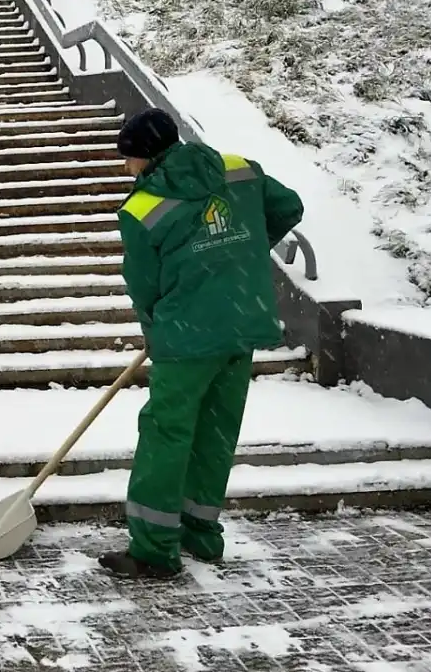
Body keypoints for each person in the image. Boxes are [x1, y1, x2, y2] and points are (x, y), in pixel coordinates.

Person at [100, 107, 304, 580]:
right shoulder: (239, 170)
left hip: (186, 335)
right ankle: (200, 532)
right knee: (215, 431)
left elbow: (144, 287)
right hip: (242, 321)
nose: (127, 168)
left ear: (146, 155)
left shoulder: (141, 208)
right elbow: (289, 207)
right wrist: (239, 252)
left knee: (166, 435)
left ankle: (154, 549)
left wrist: (158, 325)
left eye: (128, 158)